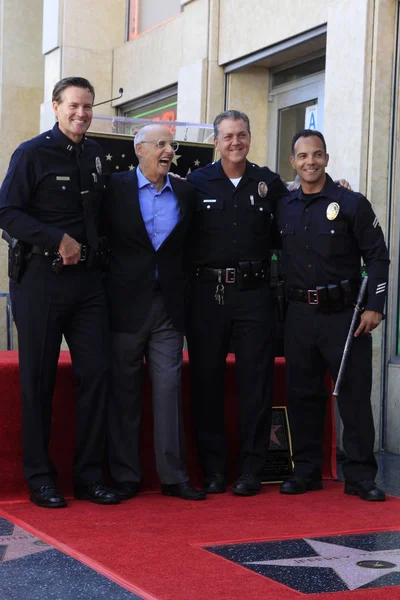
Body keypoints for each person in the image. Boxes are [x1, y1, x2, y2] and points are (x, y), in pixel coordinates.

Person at [0, 77, 119, 508]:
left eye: (87, 107)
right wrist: (55, 240)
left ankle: (89, 476)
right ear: (55, 107)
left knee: (97, 376)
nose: (81, 113)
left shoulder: (97, 154)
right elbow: (6, 211)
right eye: (73, 105)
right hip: (41, 282)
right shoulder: (31, 153)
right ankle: (40, 478)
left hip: (89, 285)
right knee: (37, 381)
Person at [278, 129, 389, 501]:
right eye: (303, 156)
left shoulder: (351, 203)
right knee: (302, 395)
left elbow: (377, 255)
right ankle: (306, 471)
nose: (310, 162)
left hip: (345, 316)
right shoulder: (284, 205)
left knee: (354, 397)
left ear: (326, 158)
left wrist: (375, 305)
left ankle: (360, 476)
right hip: (298, 315)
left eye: (317, 155)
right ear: (292, 162)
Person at [185, 110, 289, 496]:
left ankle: (251, 469)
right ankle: (213, 469)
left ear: (250, 137)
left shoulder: (268, 183)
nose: (235, 143)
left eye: (241, 135)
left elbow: (293, 221)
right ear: (216, 141)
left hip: (254, 294)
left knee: (256, 383)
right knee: (206, 382)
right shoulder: (195, 184)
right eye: (227, 136)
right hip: (207, 295)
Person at [104, 124, 205, 501]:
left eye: (171, 145)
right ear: (139, 149)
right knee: (125, 392)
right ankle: (126, 476)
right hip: (124, 305)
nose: (168, 151)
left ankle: (173, 476)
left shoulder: (185, 191)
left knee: (168, 389)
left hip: (168, 307)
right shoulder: (113, 188)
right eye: (160, 144)